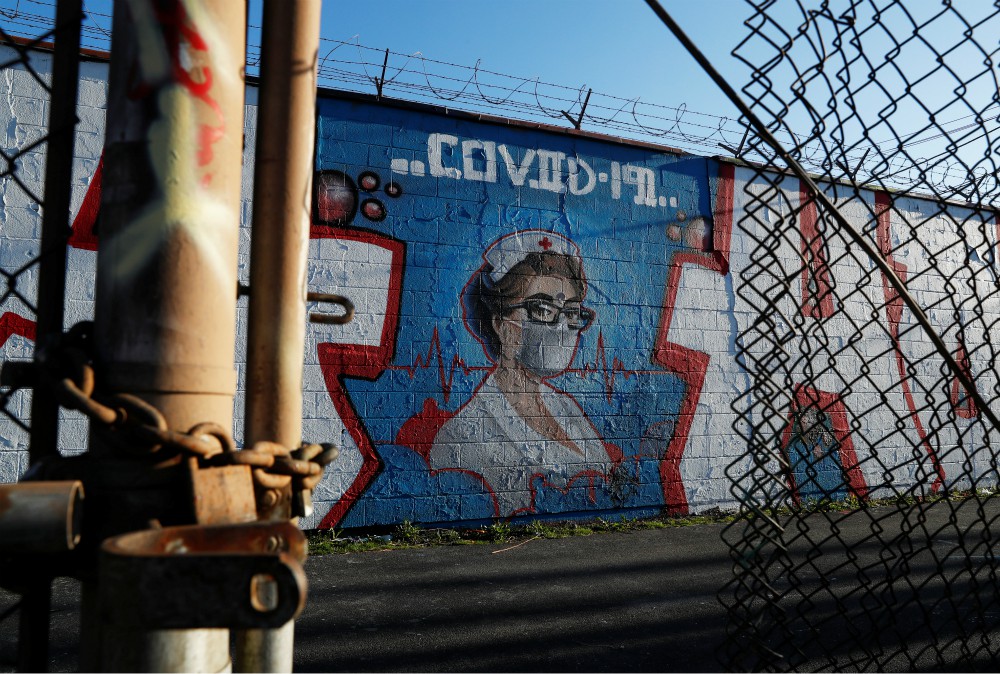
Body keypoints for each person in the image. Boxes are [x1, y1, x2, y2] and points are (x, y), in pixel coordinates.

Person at [428, 229, 620, 515]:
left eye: (571, 312)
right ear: (502, 325)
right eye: (542, 309)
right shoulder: (462, 438)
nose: (562, 327)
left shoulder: (564, 407)